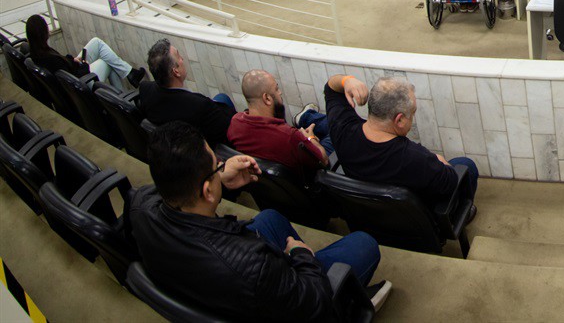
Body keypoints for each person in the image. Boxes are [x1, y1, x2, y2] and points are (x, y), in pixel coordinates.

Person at [130, 121, 387, 319]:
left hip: (205, 269)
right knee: (364, 244)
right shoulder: (253, 265)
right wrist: (301, 257)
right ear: (207, 191)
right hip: (271, 287)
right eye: (217, 165)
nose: (222, 164)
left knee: (270, 218)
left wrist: (223, 181)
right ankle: (350, 302)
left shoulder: (142, 205)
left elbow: (185, 197)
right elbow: (313, 304)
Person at [323, 72, 479, 215]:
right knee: (466, 165)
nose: (412, 117)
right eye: (412, 113)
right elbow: (451, 182)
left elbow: (331, 88)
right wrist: (440, 162)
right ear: (399, 120)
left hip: (370, 214)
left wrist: (346, 80)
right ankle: (462, 213)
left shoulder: (342, 129)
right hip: (415, 220)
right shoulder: (417, 159)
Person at [226, 69, 330, 174]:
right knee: (335, 129)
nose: (280, 92)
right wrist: (310, 138)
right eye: (276, 89)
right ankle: (306, 117)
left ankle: (306, 117)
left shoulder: (235, 123)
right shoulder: (289, 136)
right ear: (267, 98)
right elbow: (324, 161)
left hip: (273, 183)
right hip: (307, 178)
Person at [138, 39, 237, 146]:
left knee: (221, 97)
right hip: (201, 150)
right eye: (178, 56)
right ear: (176, 71)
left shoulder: (145, 89)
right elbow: (227, 129)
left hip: (171, 143)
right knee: (225, 102)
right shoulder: (201, 106)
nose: (182, 58)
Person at [23, 13, 144, 91]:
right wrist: (84, 64)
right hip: (82, 82)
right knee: (106, 62)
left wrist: (72, 59)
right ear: (44, 32)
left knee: (96, 42)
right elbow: (71, 76)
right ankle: (124, 97)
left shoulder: (37, 53)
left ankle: (129, 73)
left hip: (73, 69)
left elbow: (62, 64)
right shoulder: (49, 58)